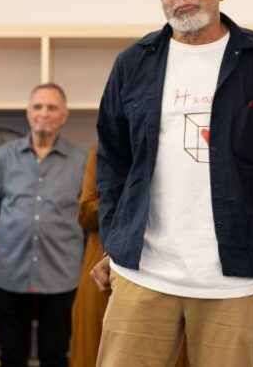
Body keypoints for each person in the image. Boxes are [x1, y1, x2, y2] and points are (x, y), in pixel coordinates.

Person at [93, 0, 253, 366]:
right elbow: (113, 161)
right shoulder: (132, 63)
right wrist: (116, 240)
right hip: (144, 273)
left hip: (235, 279)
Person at [0, 83, 87, 367]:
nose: (44, 113)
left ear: (64, 115)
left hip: (61, 277)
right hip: (9, 273)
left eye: (52, 107)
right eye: (37, 106)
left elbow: (84, 219)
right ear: (28, 113)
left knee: (55, 357)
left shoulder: (81, 161)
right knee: (11, 357)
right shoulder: (3, 157)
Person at [69, 145, 190, 367]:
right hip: (104, 265)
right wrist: (137, 204)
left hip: (169, 268)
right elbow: (86, 212)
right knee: (96, 348)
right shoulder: (102, 150)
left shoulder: (175, 147)